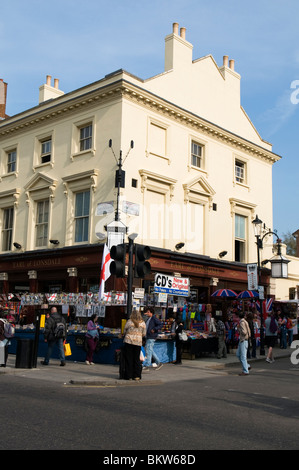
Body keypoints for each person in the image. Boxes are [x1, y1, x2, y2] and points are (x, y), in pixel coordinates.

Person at [122, 309, 146, 380]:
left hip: (129, 341)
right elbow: (144, 333)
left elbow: (124, 330)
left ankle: (128, 375)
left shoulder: (129, 322)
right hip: (138, 342)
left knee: (129, 359)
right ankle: (137, 375)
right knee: (136, 359)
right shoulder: (143, 323)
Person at [142, 307, 163, 371]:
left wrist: (154, 329)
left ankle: (147, 365)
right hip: (148, 336)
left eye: (148, 312)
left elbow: (160, 325)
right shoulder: (148, 319)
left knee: (148, 351)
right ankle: (158, 362)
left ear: (151, 313)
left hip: (151, 336)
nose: (147, 313)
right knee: (150, 350)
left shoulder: (154, 318)